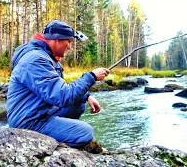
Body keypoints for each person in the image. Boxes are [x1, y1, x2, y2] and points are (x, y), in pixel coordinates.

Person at [6, 19, 110, 153]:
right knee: (86, 133)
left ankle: (60, 132)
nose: (69, 47)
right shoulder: (35, 59)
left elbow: (58, 89)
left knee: (78, 102)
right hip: (28, 121)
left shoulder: (46, 57)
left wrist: (87, 96)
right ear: (57, 40)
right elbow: (62, 96)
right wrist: (92, 77)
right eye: (68, 42)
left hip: (40, 112)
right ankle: (56, 142)